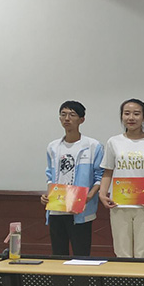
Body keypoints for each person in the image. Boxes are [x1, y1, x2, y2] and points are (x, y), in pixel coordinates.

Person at [99, 99, 144, 258]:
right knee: (122, 252)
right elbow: (108, 171)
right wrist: (102, 194)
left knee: (142, 252)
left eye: (136, 114)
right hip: (119, 204)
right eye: (127, 113)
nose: (131, 117)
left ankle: (142, 276)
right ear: (121, 116)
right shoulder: (114, 142)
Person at [41, 101, 104, 257]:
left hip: (80, 209)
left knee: (81, 255)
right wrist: (48, 195)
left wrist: (89, 196)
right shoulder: (53, 147)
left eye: (72, 115)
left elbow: (100, 176)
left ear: (81, 119)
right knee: (58, 255)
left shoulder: (93, 146)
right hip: (57, 208)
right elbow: (50, 176)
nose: (67, 118)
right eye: (63, 114)